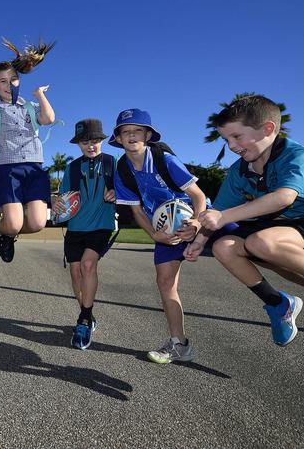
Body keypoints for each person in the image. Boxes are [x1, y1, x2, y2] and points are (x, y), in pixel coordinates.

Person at [185, 94, 302, 346]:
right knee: (223, 247)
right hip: (275, 228)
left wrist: (224, 217)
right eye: (227, 139)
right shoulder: (240, 170)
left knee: (261, 243)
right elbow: (218, 209)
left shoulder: (294, 155)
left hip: (298, 221)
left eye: (237, 136)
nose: (231, 145)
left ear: (267, 129)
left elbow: (284, 198)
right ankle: (279, 304)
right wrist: (199, 240)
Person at [111, 108, 205, 364]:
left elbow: (198, 196)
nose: (132, 135)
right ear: (118, 138)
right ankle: (179, 345)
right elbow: (136, 210)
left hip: (194, 220)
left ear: (148, 135)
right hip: (164, 231)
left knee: (238, 250)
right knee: (165, 283)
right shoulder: (122, 170)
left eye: (137, 130)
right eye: (125, 131)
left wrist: (197, 223)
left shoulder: (165, 160)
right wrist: (155, 235)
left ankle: (275, 300)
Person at [0, 38, 56, 263]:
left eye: (13, 80)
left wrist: (40, 95)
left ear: (19, 81)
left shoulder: (29, 106)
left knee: (37, 223)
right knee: (14, 223)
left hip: (34, 168)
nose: (8, 85)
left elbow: (48, 118)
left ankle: (4, 233)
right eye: (2, 81)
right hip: (8, 169)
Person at [55, 119, 116, 350]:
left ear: (101, 140)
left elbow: (129, 189)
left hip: (101, 225)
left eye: (94, 141)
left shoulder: (113, 162)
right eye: (84, 142)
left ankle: (83, 320)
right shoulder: (71, 168)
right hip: (75, 228)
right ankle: (87, 314)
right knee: (75, 274)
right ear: (78, 144)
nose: (90, 146)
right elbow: (63, 198)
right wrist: (57, 203)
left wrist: (116, 190)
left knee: (88, 265)